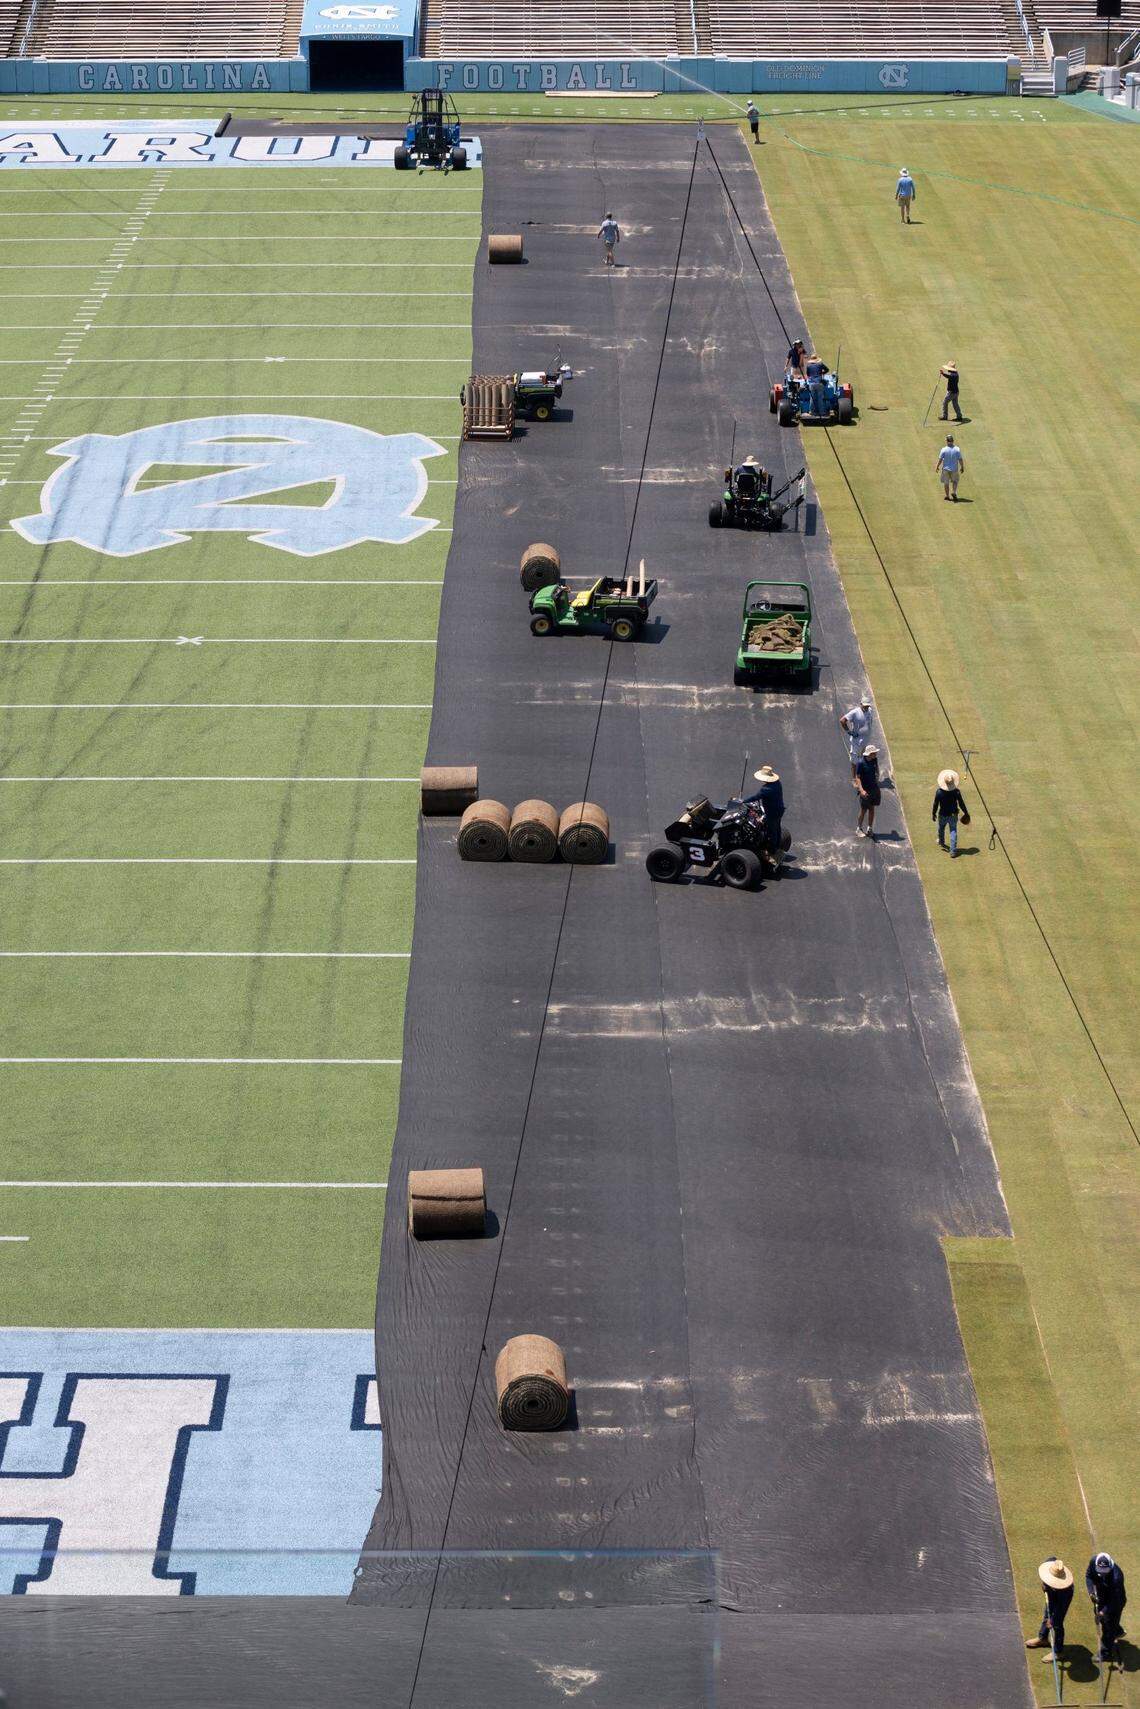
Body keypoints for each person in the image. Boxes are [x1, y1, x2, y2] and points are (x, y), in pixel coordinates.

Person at [1026, 1557, 1075, 1661]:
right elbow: (1051, 1561)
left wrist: (1052, 1620)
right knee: (1047, 1614)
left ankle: (1058, 1652)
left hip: (1062, 1597)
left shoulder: (1065, 1589)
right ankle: (1043, 1638)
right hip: (1053, 1592)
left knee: (1057, 1623)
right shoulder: (1051, 1564)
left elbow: (1060, 1608)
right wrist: (1045, 1587)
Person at [1086, 1552, 1127, 1663]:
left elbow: (1114, 1601)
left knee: (1108, 1625)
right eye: (1100, 1572)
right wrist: (1091, 1593)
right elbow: (1089, 1576)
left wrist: (1102, 1613)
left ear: (1110, 1566)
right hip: (1101, 1595)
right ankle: (1117, 1630)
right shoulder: (1093, 1561)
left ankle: (1106, 1653)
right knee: (1106, 1621)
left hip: (1116, 1602)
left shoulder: (1116, 1577)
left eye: (1105, 1573)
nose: (1102, 1575)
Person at [932, 767, 970, 857]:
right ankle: (953, 852)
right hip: (953, 815)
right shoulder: (956, 792)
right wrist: (966, 812)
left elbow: (935, 804)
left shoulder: (939, 792)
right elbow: (961, 803)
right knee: (953, 831)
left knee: (941, 828)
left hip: (942, 814)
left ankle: (941, 842)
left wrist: (933, 813)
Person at [746, 764, 784, 849]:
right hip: (780, 809)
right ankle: (778, 845)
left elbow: (755, 797)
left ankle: (773, 849)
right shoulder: (777, 783)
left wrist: (743, 801)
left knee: (772, 830)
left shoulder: (766, 789)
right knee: (777, 828)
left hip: (772, 812)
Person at [839, 695, 873, 776]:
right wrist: (849, 731)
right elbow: (842, 720)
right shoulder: (855, 712)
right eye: (865, 705)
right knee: (854, 760)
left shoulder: (870, 710)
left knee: (864, 757)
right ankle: (854, 778)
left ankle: (861, 774)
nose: (866, 707)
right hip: (856, 740)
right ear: (860, 704)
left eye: (867, 706)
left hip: (865, 739)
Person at [854, 745, 880, 838]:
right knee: (863, 810)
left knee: (872, 809)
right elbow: (857, 777)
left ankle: (869, 828)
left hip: (874, 789)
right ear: (870, 754)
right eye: (874, 753)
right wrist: (861, 790)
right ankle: (859, 828)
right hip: (865, 790)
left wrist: (877, 778)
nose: (876, 754)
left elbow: (876, 770)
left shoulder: (874, 760)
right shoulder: (860, 763)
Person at [936, 434, 965, 501]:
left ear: (947, 441)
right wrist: (962, 467)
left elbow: (940, 459)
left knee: (946, 483)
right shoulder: (957, 449)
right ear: (953, 441)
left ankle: (947, 496)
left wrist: (937, 466)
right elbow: (960, 459)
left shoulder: (943, 449)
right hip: (954, 469)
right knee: (955, 481)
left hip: (945, 469)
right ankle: (954, 492)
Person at [805, 352, 829, 419]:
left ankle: (812, 412)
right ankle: (822, 412)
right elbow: (827, 369)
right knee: (820, 398)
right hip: (819, 383)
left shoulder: (808, 366)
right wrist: (822, 372)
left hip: (812, 384)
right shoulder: (820, 364)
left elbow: (808, 374)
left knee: (812, 398)